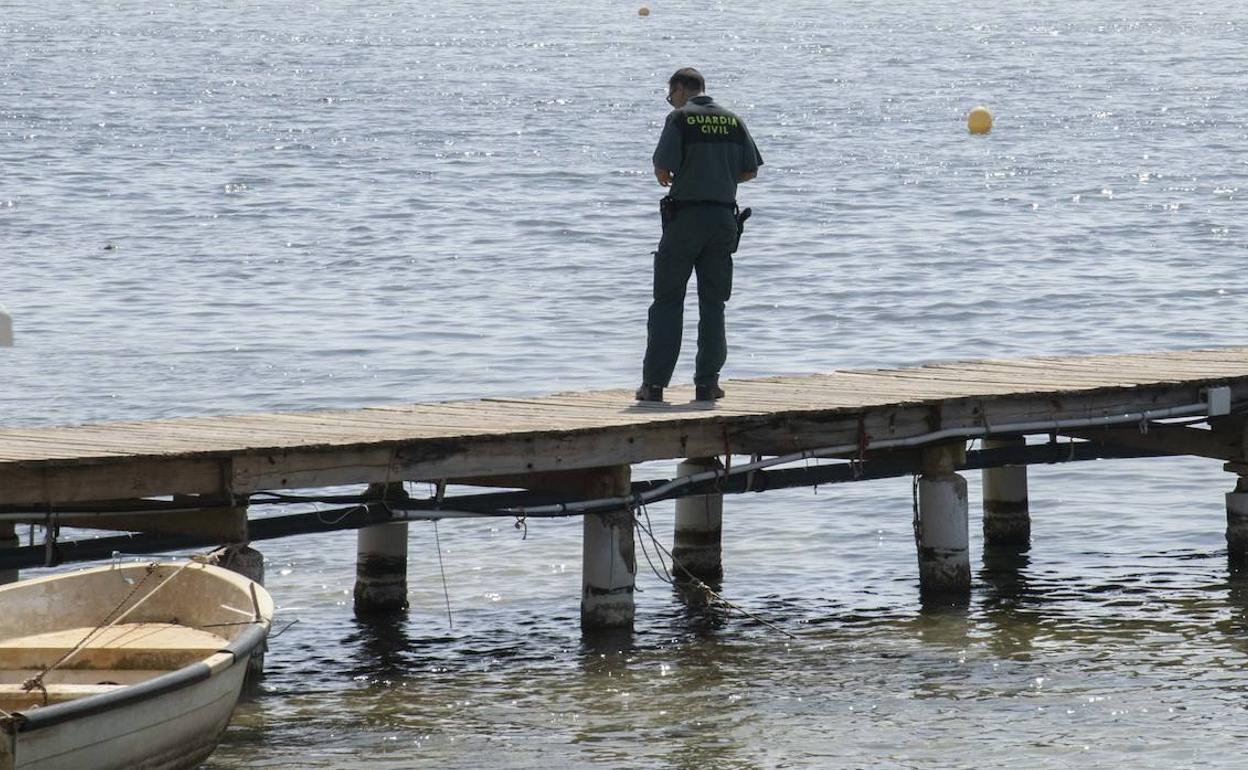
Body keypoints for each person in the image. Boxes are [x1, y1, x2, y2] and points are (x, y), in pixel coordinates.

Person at [636, 67, 762, 403]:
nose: (671, 101)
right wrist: (718, 176)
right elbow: (750, 170)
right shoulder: (733, 120)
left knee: (667, 302)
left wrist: (682, 174)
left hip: (686, 219)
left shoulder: (679, 119)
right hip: (723, 219)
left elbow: (662, 168)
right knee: (713, 304)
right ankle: (707, 384)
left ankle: (654, 386)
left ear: (679, 89)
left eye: (670, 95)